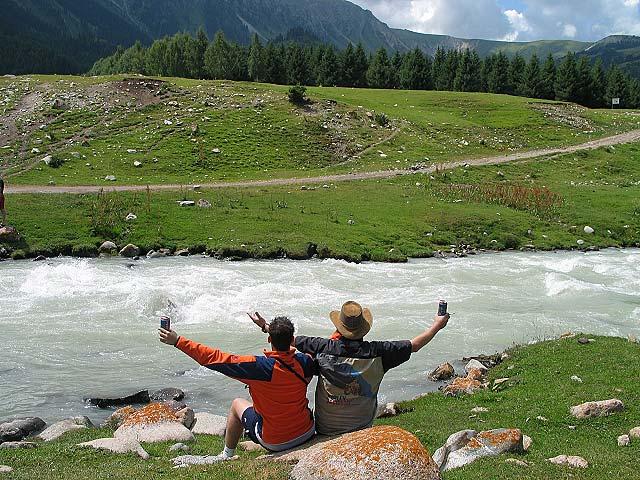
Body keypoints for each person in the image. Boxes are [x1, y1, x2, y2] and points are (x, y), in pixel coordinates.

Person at [251, 301, 449, 436]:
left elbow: (286, 339)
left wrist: (266, 327)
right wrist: (437, 326)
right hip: (361, 426)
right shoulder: (379, 352)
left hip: (326, 427)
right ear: (364, 327)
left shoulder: (322, 347)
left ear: (339, 328)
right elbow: (414, 345)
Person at [159, 316, 315, 463]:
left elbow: (213, 357)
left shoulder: (259, 368)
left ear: (269, 339)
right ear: (292, 339)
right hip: (306, 432)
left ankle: (227, 454)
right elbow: (314, 351)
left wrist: (178, 341)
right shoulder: (305, 362)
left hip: (275, 441)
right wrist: (266, 327)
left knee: (237, 404)